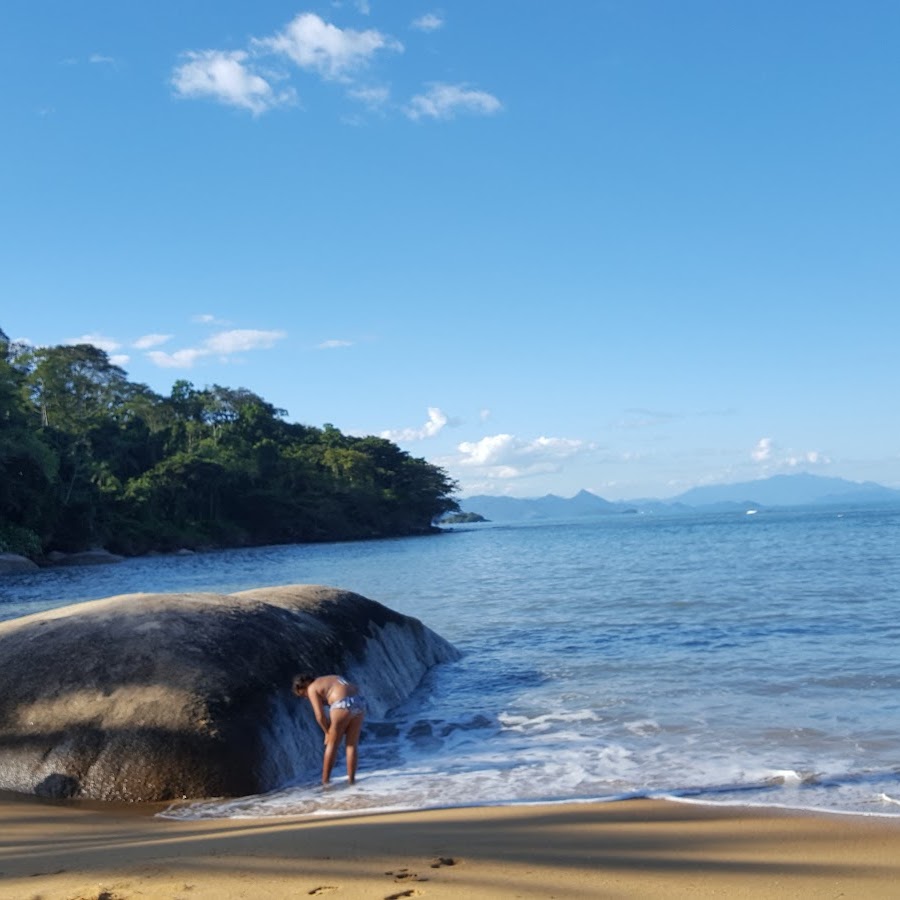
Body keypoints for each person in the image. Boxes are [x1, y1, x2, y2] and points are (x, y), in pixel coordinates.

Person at [292, 673, 367, 785]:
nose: (307, 698)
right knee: (351, 745)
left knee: (332, 744)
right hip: (359, 702)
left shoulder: (312, 687)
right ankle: (351, 781)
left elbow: (319, 715)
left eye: (304, 695)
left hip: (342, 704)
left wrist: (327, 732)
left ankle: (325, 782)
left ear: (304, 685)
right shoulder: (331, 678)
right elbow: (354, 687)